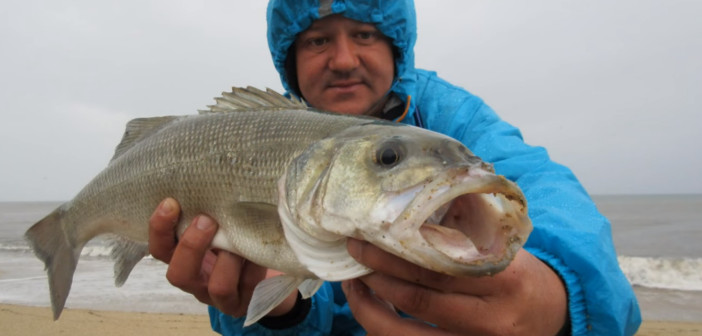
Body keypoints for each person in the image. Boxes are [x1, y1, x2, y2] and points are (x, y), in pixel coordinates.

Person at [148, 0, 641, 335]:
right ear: (289, 58)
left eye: (364, 33)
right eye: (317, 41)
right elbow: (270, 290)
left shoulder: (450, 119)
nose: (343, 60)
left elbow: (543, 185)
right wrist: (283, 312)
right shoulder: (258, 135)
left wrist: (557, 296)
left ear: (396, 46)